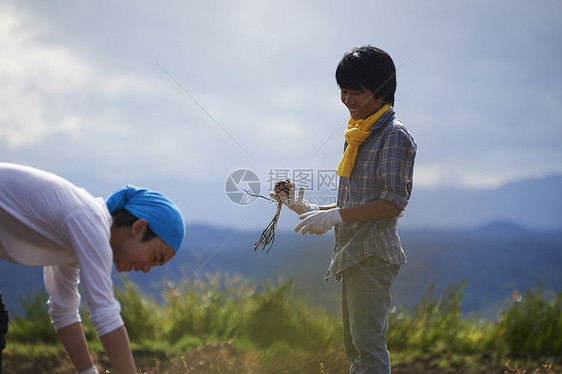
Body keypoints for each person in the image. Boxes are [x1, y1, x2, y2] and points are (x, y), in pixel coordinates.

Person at [271, 46, 416, 373]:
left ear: (381, 93)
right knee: (356, 348)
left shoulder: (394, 136)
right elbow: (354, 204)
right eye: (344, 91)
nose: (348, 100)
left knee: (368, 347)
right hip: (352, 253)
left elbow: (392, 203)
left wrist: (333, 216)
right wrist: (301, 205)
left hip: (373, 255)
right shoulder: (358, 134)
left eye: (356, 92)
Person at [0, 163, 185, 374]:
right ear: (139, 228)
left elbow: (64, 309)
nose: (146, 269)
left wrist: (88, 371)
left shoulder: (79, 235)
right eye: (154, 258)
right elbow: (104, 313)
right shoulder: (91, 222)